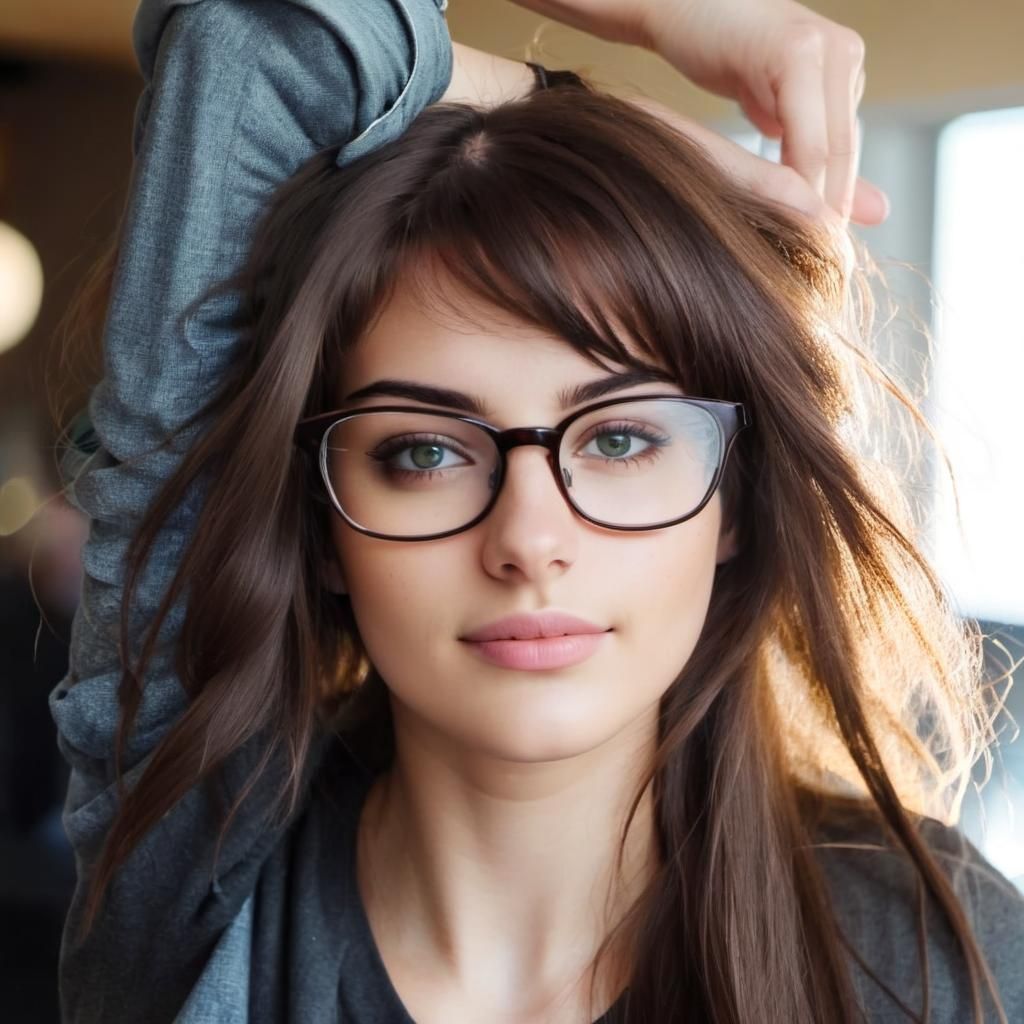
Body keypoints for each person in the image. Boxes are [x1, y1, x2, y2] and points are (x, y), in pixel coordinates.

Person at [48, 0, 1023, 1022]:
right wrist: (622, 78)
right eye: (424, 452)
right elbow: (253, 42)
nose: (528, 541)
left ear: (732, 499)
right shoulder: (189, 860)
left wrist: (583, 123)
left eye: (619, 440)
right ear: (326, 522)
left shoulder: (933, 959)